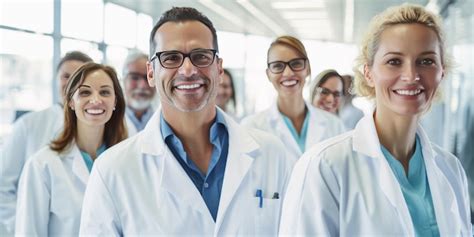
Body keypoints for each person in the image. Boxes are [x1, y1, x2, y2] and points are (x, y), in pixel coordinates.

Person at [79, 7, 293, 236]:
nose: (188, 70)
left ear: (219, 68)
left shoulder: (272, 154)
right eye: (171, 58)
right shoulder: (112, 171)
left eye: (201, 56)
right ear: (151, 73)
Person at [279, 4, 471, 236]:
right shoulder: (325, 166)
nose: (411, 76)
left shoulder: (450, 169)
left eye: (426, 61)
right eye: (394, 61)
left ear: (442, 72)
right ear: (368, 72)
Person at [14, 62, 127, 236]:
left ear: (115, 102)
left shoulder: (127, 161)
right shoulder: (42, 165)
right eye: (85, 92)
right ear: (71, 102)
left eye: (104, 92)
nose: (96, 100)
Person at [0, 51, 92, 235]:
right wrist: (22, 224)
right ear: (56, 80)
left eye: (80, 77)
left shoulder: (103, 129)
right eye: (66, 76)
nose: (72, 83)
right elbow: (2, 185)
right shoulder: (28, 125)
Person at [241, 36, 345, 161]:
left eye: (296, 64)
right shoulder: (252, 127)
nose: (288, 73)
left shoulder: (335, 126)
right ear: (268, 74)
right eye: (278, 66)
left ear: (307, 69)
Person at [122, 51, 156, 136]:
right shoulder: (109, 119)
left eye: (148, 77)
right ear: (124, 79)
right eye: (135, 77)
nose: (142, 86)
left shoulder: (165, 118)